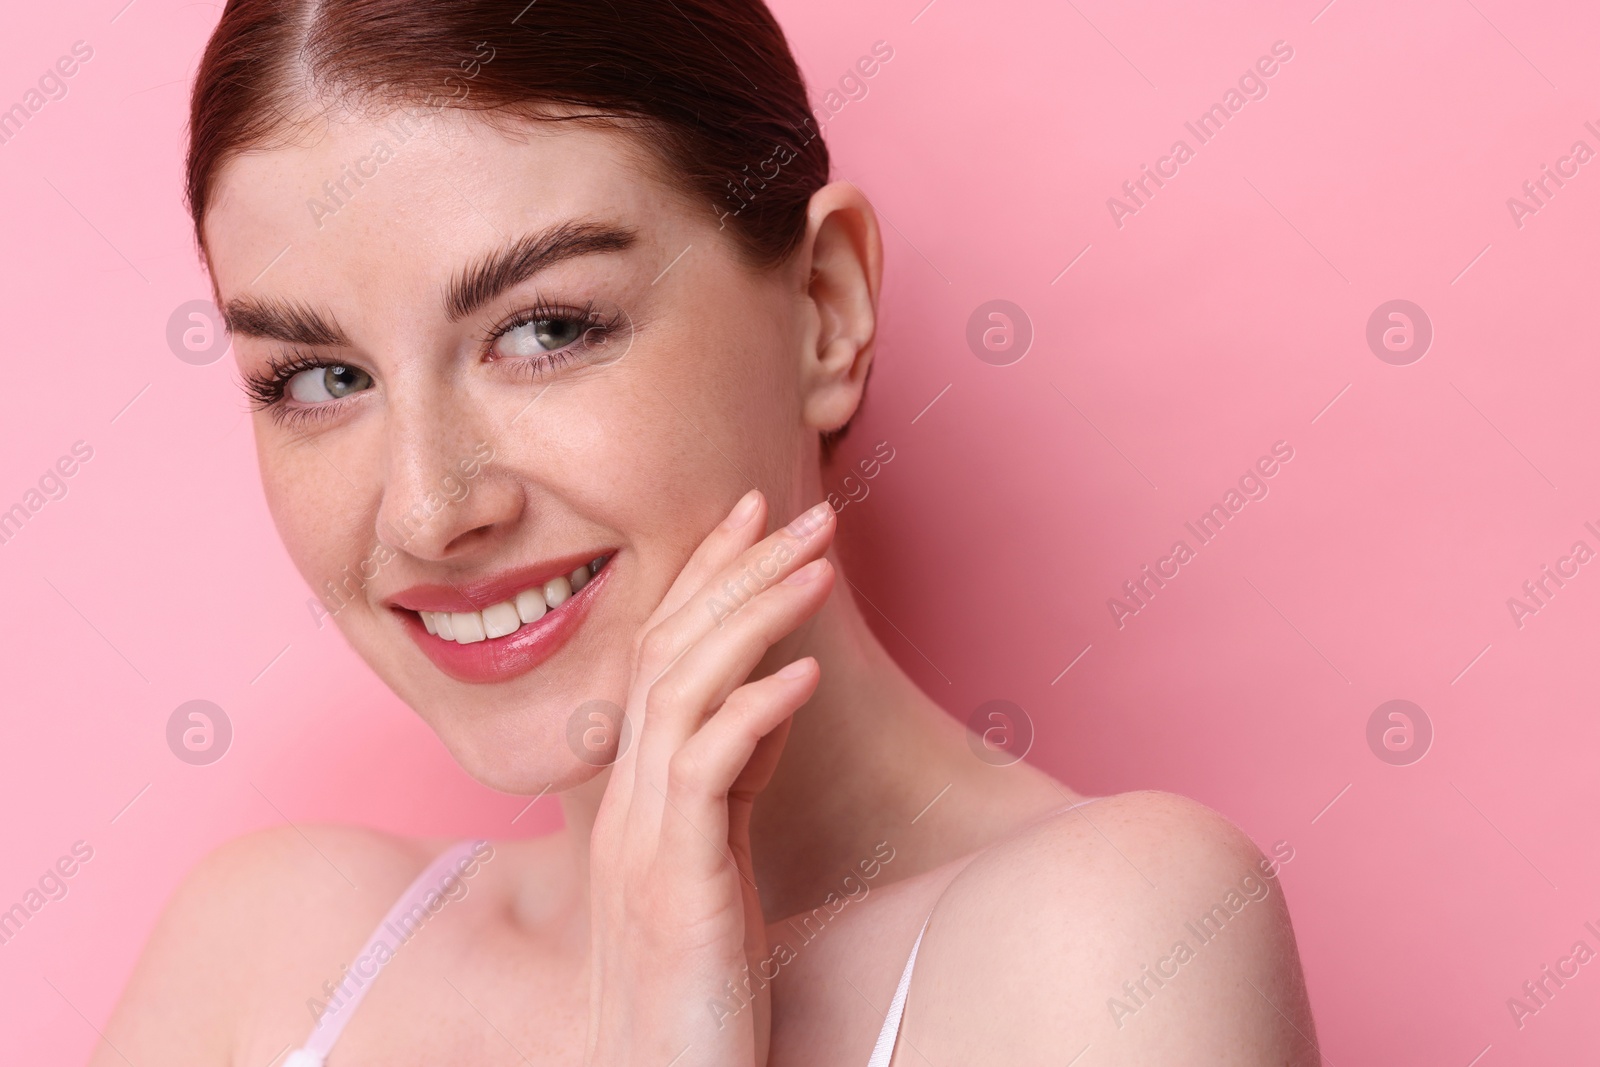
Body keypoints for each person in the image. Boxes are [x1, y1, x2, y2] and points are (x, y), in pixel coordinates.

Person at [94, 0, 1318, 1063]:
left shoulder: (1111, 939)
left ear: (825, 311)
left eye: (548, 328)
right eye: (317, 378)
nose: (425, 507)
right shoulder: (263, 952)